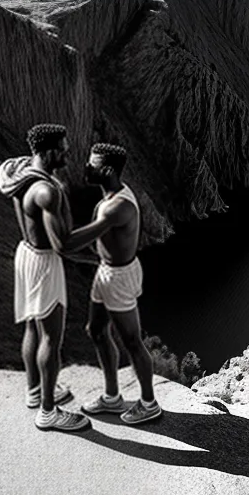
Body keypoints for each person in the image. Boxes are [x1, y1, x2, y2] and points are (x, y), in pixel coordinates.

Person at [0, 123, 90, 432]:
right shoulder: (47, 191)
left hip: (25, 253)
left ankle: (35, 391)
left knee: (32, 328)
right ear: (48, 151)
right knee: (52, 336)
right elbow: (62, 244)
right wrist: (103, 252)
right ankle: (49, 412)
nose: (67, 153)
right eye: (62, 149)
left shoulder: (20, 171)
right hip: (45, 262)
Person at [65, 143, 161, 424]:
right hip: (106, 271)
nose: (85, 168)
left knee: (132, 340)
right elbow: (99, 246)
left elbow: (75, 241)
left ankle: (149, 403)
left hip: (119, 277)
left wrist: (45, 239)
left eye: (91, 164)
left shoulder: (117, 208)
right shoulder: (109, 198)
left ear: (106, 170)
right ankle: (112, 397)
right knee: (95, 330)